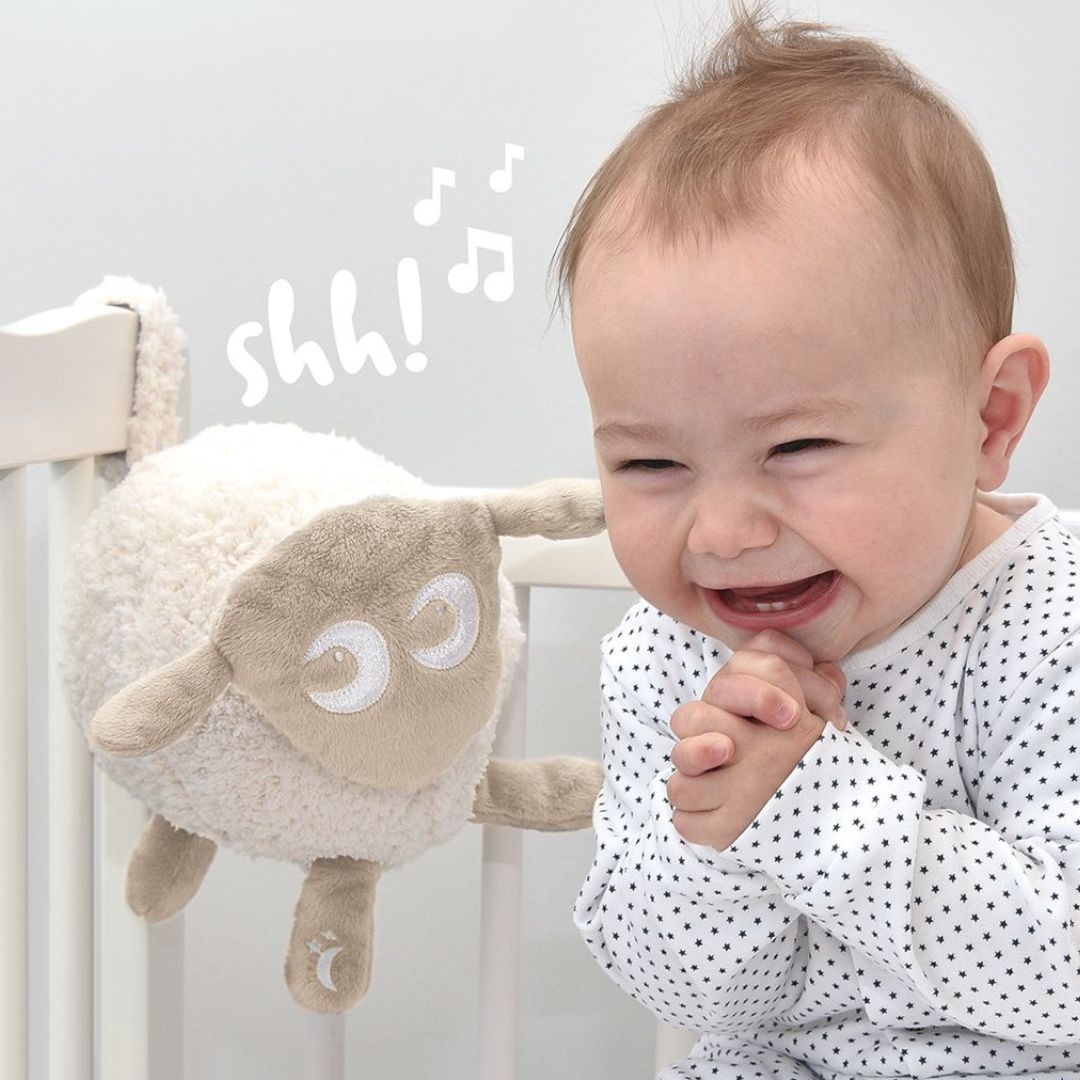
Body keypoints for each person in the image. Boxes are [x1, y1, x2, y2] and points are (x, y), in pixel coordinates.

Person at [552, 3, 1080, 1077]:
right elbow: (689, 994)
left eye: (796, 446)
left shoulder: (1053, 616)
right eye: (650, 464)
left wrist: (811, 799)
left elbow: (1063, 971)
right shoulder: (663, 659)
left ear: (989, 419)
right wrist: (722, 832)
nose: (725, 532)